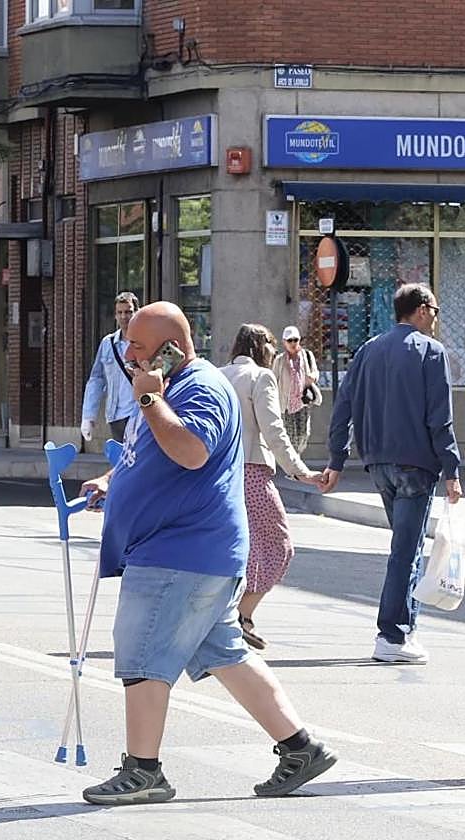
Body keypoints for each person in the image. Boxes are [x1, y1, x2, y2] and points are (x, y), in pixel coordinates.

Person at [78, 302, 336, 806]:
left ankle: (144, 770)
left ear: (172, 349)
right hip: (190, 552)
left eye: (139, 346)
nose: (128, 352)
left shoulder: (200, 389)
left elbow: (192, 450)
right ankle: (300, 747)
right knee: (223, 652)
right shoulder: (165, 388)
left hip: (183, 551)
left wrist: (151, 400)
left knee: (143, 653)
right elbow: (150, 450)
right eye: (128, 342)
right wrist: (113, 480)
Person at [322, 283, 463, 665]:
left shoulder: (369, 350)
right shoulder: (430, 352)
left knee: (405, 548)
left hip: (378, 463)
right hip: (416, 462)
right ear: (419, 310)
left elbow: (343, 408)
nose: (436, 316)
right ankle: (394, 634)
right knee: (406, 551)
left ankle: (402, 631)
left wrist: (337, 459)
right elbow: (440, 418)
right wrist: (452, 468)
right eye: (434, 308)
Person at [221, 324, 322, 649]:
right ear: (260, 347)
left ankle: (226, 618)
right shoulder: (261, 377)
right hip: (251, 472)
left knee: (238, 549)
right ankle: (241, 615)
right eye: (271, 346)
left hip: (219, 473)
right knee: (279, 544)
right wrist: (300, 471)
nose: (274, 353)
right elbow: (273, 429)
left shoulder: (218, 375)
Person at [80, 291, 140, 443]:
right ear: (115, 315)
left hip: (139, 414)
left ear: (137, 313)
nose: (124, 317)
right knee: (121, 461)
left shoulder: (145, 342)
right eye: (119, 312)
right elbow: (96, 379)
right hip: (116, 415)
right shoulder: (108, 343)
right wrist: (88, 416)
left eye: (128, 312)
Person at [272, 325, 321, 455]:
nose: (293, 343)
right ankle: (295, 466)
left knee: (303, 433)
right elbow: (273, 379)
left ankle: (297, 459)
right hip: (286, 403)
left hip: (303, 400)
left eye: (296, 340)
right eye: (290, 340)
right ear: (284, 342)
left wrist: (312, 378)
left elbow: (316, 372)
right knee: (290, 434)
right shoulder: (279, 360)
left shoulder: (307, 355)